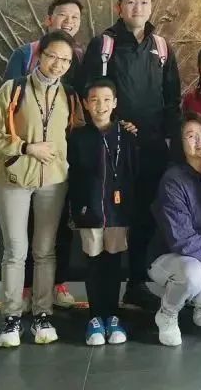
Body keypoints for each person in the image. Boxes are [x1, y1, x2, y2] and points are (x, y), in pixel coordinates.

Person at [79, 0, 182, 307]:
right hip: (113, 148)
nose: (138, 8)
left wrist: (170, 144)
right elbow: (89, 92)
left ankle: (137, 283)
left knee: (145, 217)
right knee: (111, 217)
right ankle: (104, 296)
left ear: (151, 7)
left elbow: (172, 100)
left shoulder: (161, 48)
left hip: (151, 149)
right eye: (131, 2)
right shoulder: (104, 45)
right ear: (119, 7)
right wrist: (114, 126)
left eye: (144, 2)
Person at [0, 30, 81, 348]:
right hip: (13, 180)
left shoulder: (70, 95)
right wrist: (25, 147)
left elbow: (78, 134)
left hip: (53, 182)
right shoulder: (14, 89)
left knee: (45, 251)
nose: (58, 64)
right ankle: (11, 318)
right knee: (15, 251)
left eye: (65, 60)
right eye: (53, 56)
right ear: (40, 55)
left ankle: (42, 314)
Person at [2, 0, 86, 312]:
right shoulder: (25, 54)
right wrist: (24, 146)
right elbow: (8, 105)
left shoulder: (80, 57)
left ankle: (58, 283)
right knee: (23, 229)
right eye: (63, 15)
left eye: (75, 17)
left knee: (59, 224)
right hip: (24, 160)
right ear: (48, 19)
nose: (69, 21)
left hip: (61, 159)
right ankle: (24, 289)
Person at [149, 113, 201, 347]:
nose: (200, 140)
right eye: (190, 136)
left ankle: (197, 303)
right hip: (171, 258)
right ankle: (167, 313)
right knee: (192, 275)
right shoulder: (173, 180)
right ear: (180, 143)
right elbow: (181, 239)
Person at [68, 79, 137, 346]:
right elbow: (73, 178)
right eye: (94, 100)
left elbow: (133, 173)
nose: (101, 105)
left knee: (114, 264)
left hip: (118, 212)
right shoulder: (78, 137)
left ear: (115, 103)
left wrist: (130, 207)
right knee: (94, 264)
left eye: (107, 99)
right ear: (86, 104)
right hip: (91, 213)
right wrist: (77, 210)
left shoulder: (126, 135)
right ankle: (95, 317)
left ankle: (113, 316)